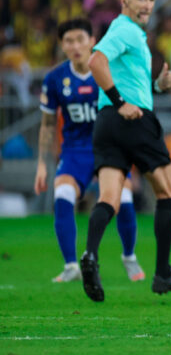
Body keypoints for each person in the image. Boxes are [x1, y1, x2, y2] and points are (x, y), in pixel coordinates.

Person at [81, 0, 171, 302]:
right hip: (132, 120)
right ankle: (162, 274)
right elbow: (95, 61)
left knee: (109, 197)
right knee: (168, 192)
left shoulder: (133, 36)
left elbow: (127, 79)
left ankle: (90, 255)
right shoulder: (125, 29)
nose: (147, 5)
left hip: (107, 124)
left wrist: (160, 85)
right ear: (124, 0)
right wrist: (121, 101)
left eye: (151, 0)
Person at [33, 18, 145, 283]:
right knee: (62, 195)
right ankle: (71, 265)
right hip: (75, 152)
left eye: (80, 39)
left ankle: (129, 257)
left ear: (92, 41)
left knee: (125, 201)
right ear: (62, 45)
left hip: (110, 149)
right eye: (69, 41)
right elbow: (48, 123)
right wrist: (40, 163)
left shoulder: (109, 73)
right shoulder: (55, 78)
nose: (75, 46)